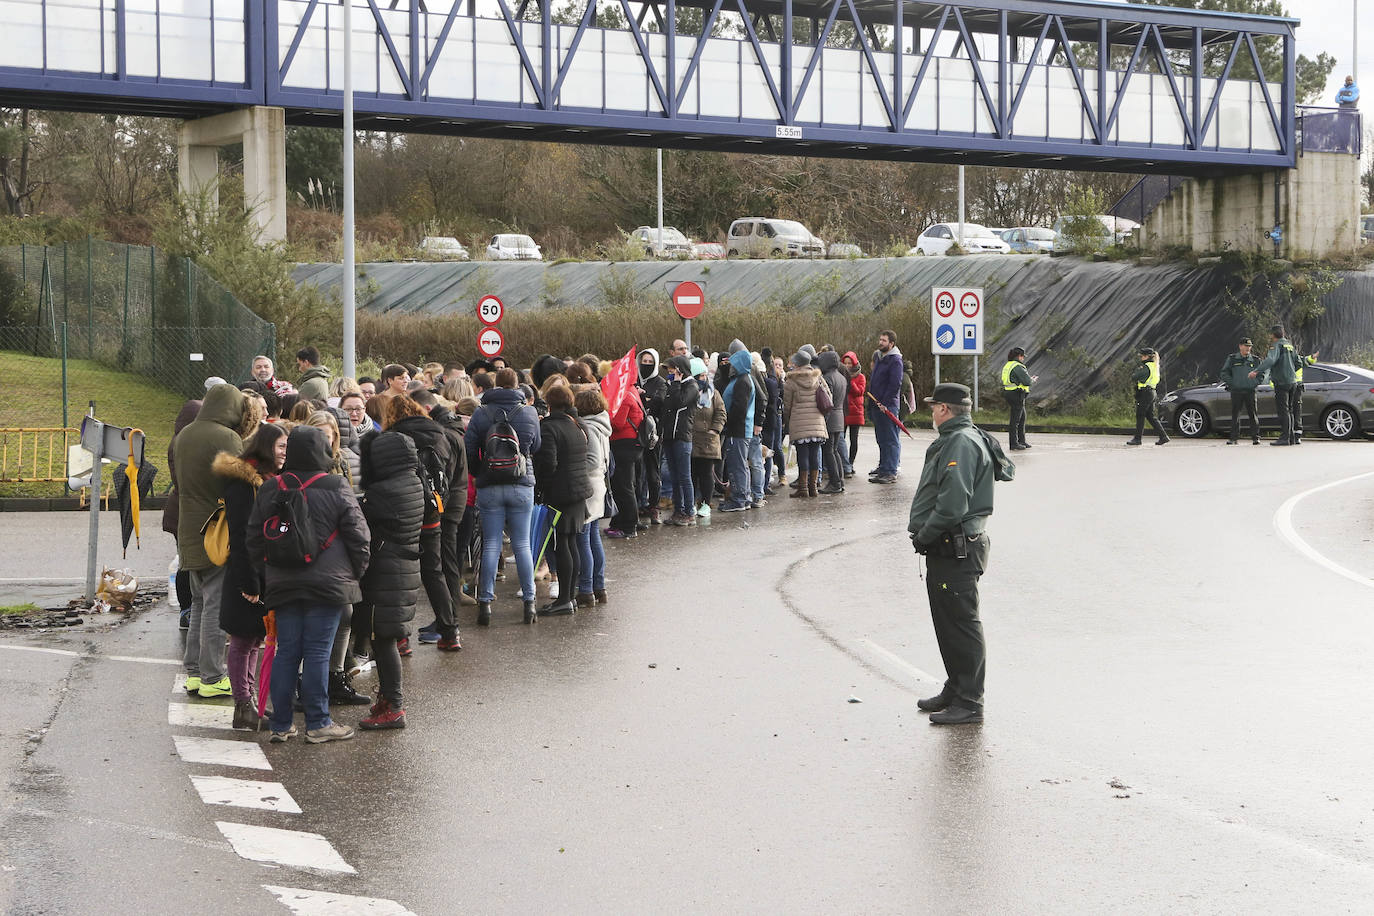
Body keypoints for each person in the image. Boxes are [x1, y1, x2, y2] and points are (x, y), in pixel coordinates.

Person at [246, 425, 370, 744]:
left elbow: (255, 538)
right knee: (317, 651)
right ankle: (318, 722)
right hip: (328, 584)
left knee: (287, 651)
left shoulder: (271, 487)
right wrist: (356, 572)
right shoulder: (336, 485)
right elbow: (359, 535)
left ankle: (281, 724)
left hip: (283, 582)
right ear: (322, 451)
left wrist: (266, 574)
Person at [908, 383, 995, 726]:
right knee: (948, 623)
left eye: (933, 407)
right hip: (949, 547)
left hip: (955, 547)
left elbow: (953, 503)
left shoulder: (961, 441)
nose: (931, 413)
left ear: (944, 409)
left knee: (961, 624)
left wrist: (925, 535)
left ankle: (970, 701)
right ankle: (956, 687)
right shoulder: (962, 436)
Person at [174, 383, 249, 698]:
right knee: (216, 605)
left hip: (188, 528)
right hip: (216, 529)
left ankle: (193, 672)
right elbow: (243, 479)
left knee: (199, 603)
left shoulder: (185, 435)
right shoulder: (226, 437)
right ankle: (213, 676)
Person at [214, 421, 286, 730]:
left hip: (264, 573)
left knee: (256, 638)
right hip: (248, 574)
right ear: (266, 446)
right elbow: (243, 535)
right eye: (281, 446)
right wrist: (250, 582)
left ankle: (250, 702)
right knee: (243, 641)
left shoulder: (272, 478)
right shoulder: (243, 482)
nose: (286, 452)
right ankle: (242, 704)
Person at [353, 430, 424, 730]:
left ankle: (393, 706)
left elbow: (362, 521)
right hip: (402, 570)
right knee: (387, 639)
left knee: (384, 641)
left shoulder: (383, 491)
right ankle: (386, 699)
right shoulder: (413, 481)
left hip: (385, 573)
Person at [385, 395, 462, 650]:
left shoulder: (392, 439)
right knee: (434, 572)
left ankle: (401, 638)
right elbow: (447, 475)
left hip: (403, 515)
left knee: (399, 577)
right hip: (432, 513)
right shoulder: (441, 435)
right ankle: (450, 632)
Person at [465, 367, 542, 624]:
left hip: (489, 485)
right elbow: (536, 446)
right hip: (521, 483)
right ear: (518, 384)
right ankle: (529, 602)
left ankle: (485, 602)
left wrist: (481, 472)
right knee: (522, 544)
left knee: (491, 544)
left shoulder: (480, 412)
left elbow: (469, 448)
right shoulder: (529, 411)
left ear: (495, 383)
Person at [533, 385, 592, 616]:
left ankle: (564, 600)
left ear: (549, 403)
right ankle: (569, 597)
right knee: (571, 545)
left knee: (562, 547)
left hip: (561, 494)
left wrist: (542, 488)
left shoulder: (550, 428)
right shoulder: (576, 425)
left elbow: (549, 464)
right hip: (578, 492)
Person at [574, 387, 611, 606]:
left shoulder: (588, 426)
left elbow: (593, 460)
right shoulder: (602, 424)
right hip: (599, 483)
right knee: (592, 537)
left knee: (583, 538)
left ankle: (586, 589)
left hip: (589, 483)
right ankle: (598, 587)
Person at [782, 350, 829, 498]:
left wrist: (788, 422)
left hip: (799, 422)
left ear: (796, 363)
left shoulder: (790, 381)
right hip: (817, 422)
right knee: (814, 453)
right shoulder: (818, 377)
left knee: (803, 455)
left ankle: (803, 488)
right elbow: (829, 396)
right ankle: (813, 487)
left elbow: (787, 406)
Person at [660, 356, 699, 525]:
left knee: (684, 476)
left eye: (672, 369)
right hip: (669, 437)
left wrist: (675, 383)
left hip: (682, 436)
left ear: (680, 370)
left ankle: (689, 511)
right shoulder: (672, 385)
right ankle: (678, 510)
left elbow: (679, 402)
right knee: (674, 476)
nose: (669, 372)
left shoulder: (691, 386)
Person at [605, 376, 645, 539]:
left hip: (624, 445)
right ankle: (622, 522)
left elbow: (617, 423)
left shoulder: (624, 396)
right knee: (628, 485)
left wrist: (606, 413)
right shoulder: (632, 391)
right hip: (632, 445)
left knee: (623, 486)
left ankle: (629, 526)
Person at [718, 348, 756, 512]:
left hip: (738, 430)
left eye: (733, 363)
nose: (730, 366)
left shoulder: (743, 382)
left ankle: (739, 499)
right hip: (740, 429)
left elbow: (739, 409)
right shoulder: (742, 379)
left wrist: (726, 423)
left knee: (737, 465)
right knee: (741, 465)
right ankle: (743, 497)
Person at [1249, 326, 1299, 446]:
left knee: (1283, 411)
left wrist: (1257, 371)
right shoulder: (1290, 345)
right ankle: (1291, 438)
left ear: (1272, 335)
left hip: (1281, 382)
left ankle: (1284, 438)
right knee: (1290, 411)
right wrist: (1290, 371)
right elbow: (1298, 362)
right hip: (1293, 382)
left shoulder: (1276, 345)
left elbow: (1270, 360)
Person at [690, 357, 726, 519]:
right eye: (701, 376)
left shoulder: (713, 393)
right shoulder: (689, 393)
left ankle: (705, 503)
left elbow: (721, 412)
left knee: (706, 473)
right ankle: (690, 502)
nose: (704, 379)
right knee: (691, 474)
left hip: (708, 440)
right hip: (691, 439)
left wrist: (715, 430)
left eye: (705, 375)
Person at [869, 330, 904, 483]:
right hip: (876, 404)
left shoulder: (895, 360)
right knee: (881, 438)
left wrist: (885, 403)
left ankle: (890, 471)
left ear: (891, 344)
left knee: (890, 439)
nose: (880, 342)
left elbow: (895, 383)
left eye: (884, 340)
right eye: (880, 339)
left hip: (888, 405)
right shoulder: (879, 356)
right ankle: (883, 467)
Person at [814, 350, 848, 495]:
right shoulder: (841, 377)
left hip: (830, 418)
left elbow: (827, 402)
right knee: (834, 451)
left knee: (829, 451)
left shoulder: (827, 378)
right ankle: (840, 481)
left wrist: (824, 420)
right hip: (839, 417)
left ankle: (834, 482)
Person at [1219, 337, 1264, 445]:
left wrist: (1252, 384)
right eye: (1246, 346)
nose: (1248, 348)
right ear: (1240, 346)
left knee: (1253, 415)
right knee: (1235, 415)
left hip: (1250, 391)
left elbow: (1261, 375)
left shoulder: (1255, 360)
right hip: (1236, 391)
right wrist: (1234, 383)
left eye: (1249, 346)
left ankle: (1255, 437)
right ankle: (1233, 438)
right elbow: (1224, 373)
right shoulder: (1232, 358)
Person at [1126, 347, 1169, 446]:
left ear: (1146, 356)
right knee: (1150, 416)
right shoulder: (1155, 366)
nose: (1141, 358)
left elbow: (1135, 377)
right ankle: (1163, 436)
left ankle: (1137, 439)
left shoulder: (1146, 367)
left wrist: (1137, 372)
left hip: (1145, 393)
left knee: (1140, 415)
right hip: (1152, 392)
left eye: (1141, 356)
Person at [1000, 347, 1036, 451]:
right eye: (1023, 357)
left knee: (1022, 417)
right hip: (1016, 394)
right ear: (1019, 356)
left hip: (1009, 393)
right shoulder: (1018, 366)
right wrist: (1032, 380)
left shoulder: (1008, 365)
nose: (1023, 359)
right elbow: (1026, 381)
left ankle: (1021, 440)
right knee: (1015, 420)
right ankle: (1014, 443)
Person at [841, 351, 866, 476]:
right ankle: (843, 463)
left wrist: (850, 380)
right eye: (845, 363)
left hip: (855, 412)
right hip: (844, 411)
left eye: (849, 363)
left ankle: (850, 463)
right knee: (841, 439)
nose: (847, 366)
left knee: (853, 440)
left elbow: (859, 392)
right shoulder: (840, 375)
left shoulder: (860, 377)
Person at [1290, 348, 1320, 444]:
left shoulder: (1296, 359)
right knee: (1289, 412)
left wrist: (1312, 357)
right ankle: (1290, 434)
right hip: (1287, 388)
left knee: (1296, 412)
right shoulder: (1284, 361)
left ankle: (1297, 435)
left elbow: (1306, 360)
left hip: (1296, 388)